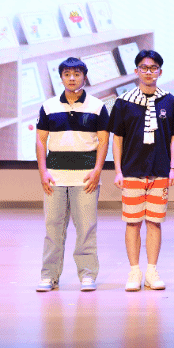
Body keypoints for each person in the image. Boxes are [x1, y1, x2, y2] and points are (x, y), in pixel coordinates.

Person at [109, 50, 174, 291]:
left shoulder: (169, 101)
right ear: (136, 71)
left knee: (154, 222)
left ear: (160, 71)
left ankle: (152, 271)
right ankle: (134, 271)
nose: (149, 72)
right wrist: (118, 171)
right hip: (131, 170)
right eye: (144, 67)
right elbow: (117, 138)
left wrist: (172, 168)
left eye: (153, 68)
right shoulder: (124, 102)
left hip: (160, 171)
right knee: (132, 223)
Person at [34, 57, 109, 292]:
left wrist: (97, 171)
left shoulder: (97, 106)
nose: (72, 78)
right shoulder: (48, 106)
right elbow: (40, 140)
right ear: (61, 78)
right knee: (53, 229)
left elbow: (103, 141)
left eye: (77, 74)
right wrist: (43, 172)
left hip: (86, 178)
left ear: (84, 77)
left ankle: (87, 275)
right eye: (67, 74)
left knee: (86, 228)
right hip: (55, 177)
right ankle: (49, 276)